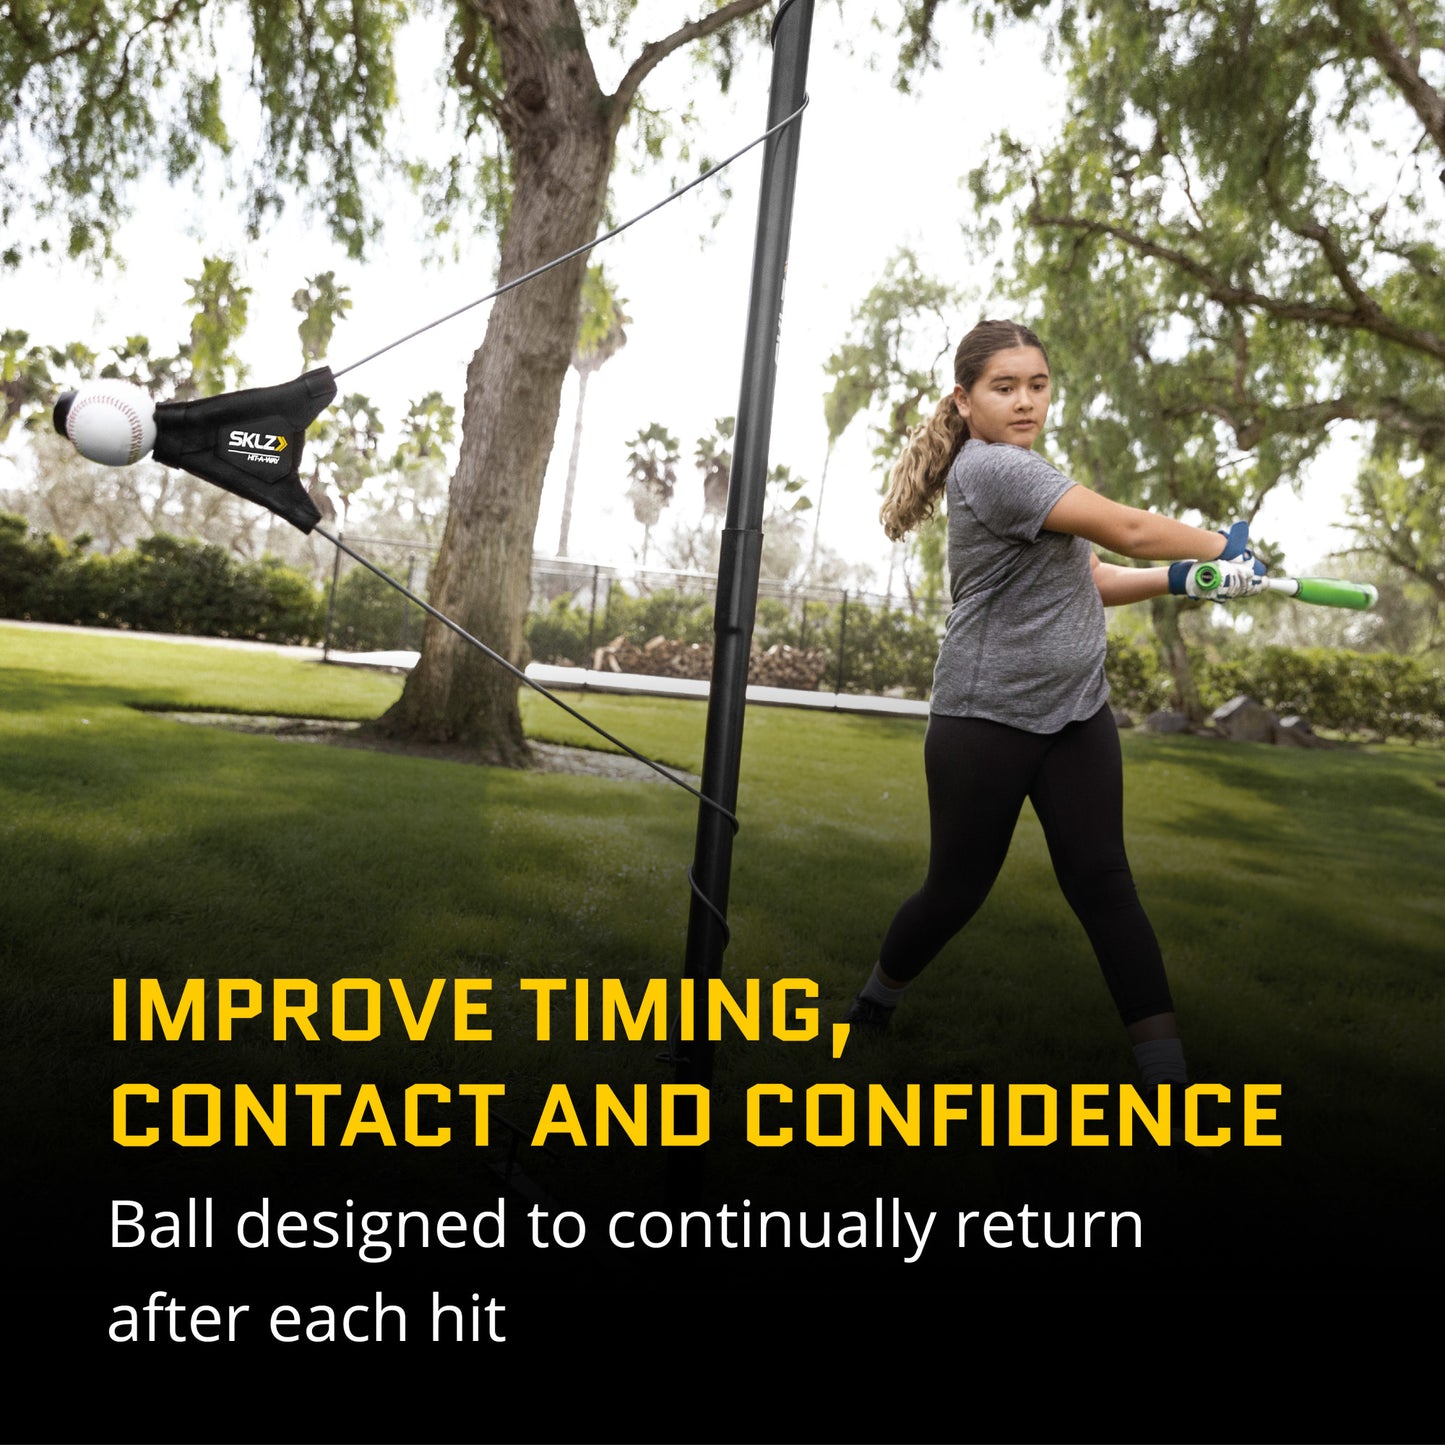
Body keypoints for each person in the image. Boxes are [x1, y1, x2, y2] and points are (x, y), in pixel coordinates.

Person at [844, 318, 1264, 1093]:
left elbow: (1093, 579)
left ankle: (1165, 1077)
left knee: (1104, 882)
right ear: (964, 400)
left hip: (1075, 713)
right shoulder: (995, 471)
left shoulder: (1033, 470)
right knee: (955, 890)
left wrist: (1184, 580)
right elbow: (1133, 529)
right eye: (1004, 387)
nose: (1025, 400)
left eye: (1036, 384)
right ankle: (874, 1000)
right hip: (984, 718)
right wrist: (1217, 545)